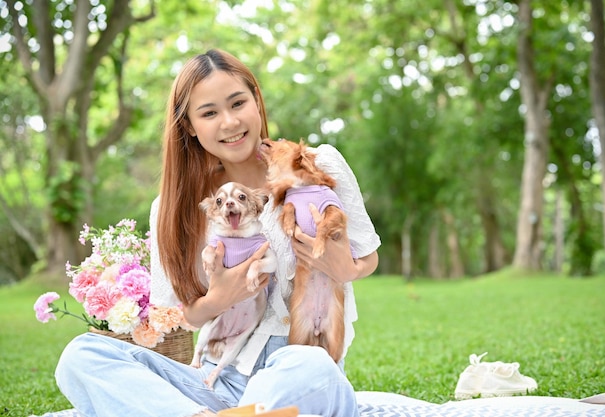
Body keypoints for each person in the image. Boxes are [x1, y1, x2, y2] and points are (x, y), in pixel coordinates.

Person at [54, 48, 381, 417]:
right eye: (209, 113)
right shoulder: (173, 206)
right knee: (81, 355)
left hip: (293, 379)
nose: (229, 122)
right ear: (190, 126)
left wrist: (347, 269)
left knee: (314, 367)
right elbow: (181, 316)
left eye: (238, 103)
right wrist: (219, 297)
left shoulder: (316, 165)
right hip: (211, 384)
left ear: (257, 101)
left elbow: (368, 256)